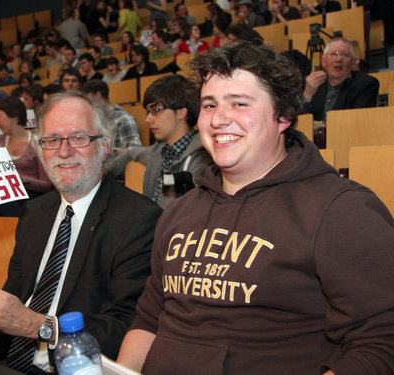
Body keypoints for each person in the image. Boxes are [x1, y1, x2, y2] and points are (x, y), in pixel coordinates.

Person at [116, 41, 394, 374]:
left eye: (239, 103)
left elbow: (380, 343)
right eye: (209, 104)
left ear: (284, 116)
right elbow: (148, 321)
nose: (219, 118)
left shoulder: (342, 211)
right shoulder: (178, 212)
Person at [0, 91, 162, 373]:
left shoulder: (139, 219)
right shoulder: (34, 213)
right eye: (52, 140)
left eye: (79, 138)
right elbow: (8, 308)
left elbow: (127, 324)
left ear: (105, 145)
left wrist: (38, 327)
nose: (64, 151)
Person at [108, 75, 212, 208]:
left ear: (181, 112)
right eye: (148, 112)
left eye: (156, 110)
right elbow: (130, 153)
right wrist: (103, 176)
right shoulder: (157, 151)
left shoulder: (203, 159)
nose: (148, 119)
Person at [302, 37, 379, 126]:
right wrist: (307, 95)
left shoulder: (366, 84)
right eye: (334, 54)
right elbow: (297, 122)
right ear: (323, 61)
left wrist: (324, 125)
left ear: (353, 62)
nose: (338, 59)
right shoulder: (315, 84)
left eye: (344, 55)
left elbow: (360, 122)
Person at [0, 97, 52, 199]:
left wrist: (22, 180)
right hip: (5, 195)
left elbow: (47, 185)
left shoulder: (36, 143)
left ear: (13, 116)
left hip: (31, 196)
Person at [82, 79, 142, 150]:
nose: (88, 104)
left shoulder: (124, 119)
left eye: (89, 99)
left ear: (98, 95)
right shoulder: (92, 119)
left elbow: (136, 150)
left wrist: (110, 152)